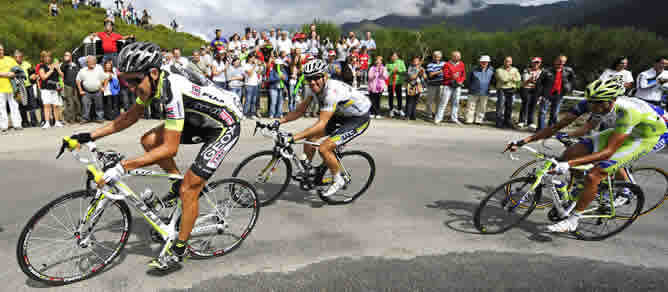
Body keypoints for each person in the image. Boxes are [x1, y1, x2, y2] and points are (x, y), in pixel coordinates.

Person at [65, 42, 243, 270]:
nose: (130, 87)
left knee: (190, 188)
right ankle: (176, 184)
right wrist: (90, 135)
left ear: (154, 73)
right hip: (199, 118)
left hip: (223, 126)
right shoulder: (152, 81)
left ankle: (179, 249)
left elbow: (170, 149)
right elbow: (130, 117)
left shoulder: (171, 88)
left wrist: (123, 166)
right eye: (125, 81)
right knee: (148, 141)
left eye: (134, 81)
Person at [506, 79, 668, 233]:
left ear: (610, 101)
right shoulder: (593, 102)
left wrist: (569, 165)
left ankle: (574, 220)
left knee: (595, 174)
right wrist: (523, 141)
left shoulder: (628, 112)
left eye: (597, 103)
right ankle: (577, 193)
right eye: (590, 102)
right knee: (571, 153)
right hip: (627, 130)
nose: (592, 106)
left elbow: (607, 153)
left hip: (650, 136)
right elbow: (558, 126)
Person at [277, 59, 371, 197]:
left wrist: (293, 138)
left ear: (325, 77)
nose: (313, 82)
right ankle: (307, 171)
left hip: (358, 118)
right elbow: (300, 111)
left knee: (324, 148)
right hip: (340, 115)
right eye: (309, 79)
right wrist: (279, 122)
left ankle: (338, 179)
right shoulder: (312, 88)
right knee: (311, 138)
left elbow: (321, 123)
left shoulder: (331, 92)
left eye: (316, 78)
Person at [537, 55, 576, 130]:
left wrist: (569, 88)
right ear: (555, 61)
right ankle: (540, 129)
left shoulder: (568, 71)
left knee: (554, 113)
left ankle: (550, 129)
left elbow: (573, 81)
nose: (561, 63)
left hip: (559, 94)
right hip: (547, 94)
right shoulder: (546, 71)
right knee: (542, 112)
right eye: (560, 61)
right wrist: (540, 94)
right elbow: (539, 83)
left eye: (563, 61)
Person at [435, 51, 466, 125]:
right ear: (452, 57)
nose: (458, 57)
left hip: (457, 86)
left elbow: (463, 74)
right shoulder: (447, 64)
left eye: (459, 56)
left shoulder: (461, 64)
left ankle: (454, 118)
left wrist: (461, 81)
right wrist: (453, 77)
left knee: (456, 103)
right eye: (456, 56)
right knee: (443, 102)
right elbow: (445, 75)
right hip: (448, 85)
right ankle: (438, 119)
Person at [76, 56, 107, 123]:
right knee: (85, 105)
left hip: (97, 91)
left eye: (94, 61)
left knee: (99, 105)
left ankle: (100, 118)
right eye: (91, 62)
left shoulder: (99, 68)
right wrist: (80, 90)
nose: (93, 63)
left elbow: (106, 77)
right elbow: (78, 80)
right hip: (86, 92)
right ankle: (85, 118)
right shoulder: (83, 70)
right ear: (87, 63)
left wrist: (104, 87)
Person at [465, 55, 495, 125]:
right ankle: (469, 119)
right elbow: (468, 80)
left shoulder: (491, 70)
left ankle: (479, 120)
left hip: (485, 91)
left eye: (486, 62)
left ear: (488, 62)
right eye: (482, 62)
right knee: (471, 106)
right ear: (480, 62)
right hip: (473, 90)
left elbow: (493, 81)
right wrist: (469, 87)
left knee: (482, 106)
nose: (484, 63)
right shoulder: (473, 69)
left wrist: (490, 88)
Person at [38, 51, 65, 128]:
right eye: (45, 57)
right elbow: (43, 77)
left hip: (54, 88)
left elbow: (62, 75)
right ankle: (47, 122)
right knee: (47, 105)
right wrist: (51, 70)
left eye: (49, 56)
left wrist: (58, 69)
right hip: (46, 89)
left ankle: (57, 122)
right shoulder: (41, 67)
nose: (48, 58)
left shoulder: (54, 65)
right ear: (43, 58)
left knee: (56, 105)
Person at [494, 56, 521, 128]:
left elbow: (518, 79)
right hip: (502, 89)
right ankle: (498, 122)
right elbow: (503, 79)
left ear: (511, 62)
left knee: (509, 107)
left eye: (509, 61)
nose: (507, 62)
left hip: (511, 90)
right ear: (504, 61)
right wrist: (512, 78)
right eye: (506, 61)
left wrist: (510, 79)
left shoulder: (515, 69)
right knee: (500, 106)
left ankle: (507, 121)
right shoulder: (498, 70)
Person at [14, 50, 39, 128]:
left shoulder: (27, 64)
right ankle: (24, 122)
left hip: (29, 86)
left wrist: (33, 76)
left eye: (21, 56)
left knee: (32, 104)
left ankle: (34, 121)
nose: (19, 58)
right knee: (22, 105)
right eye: (17, 57)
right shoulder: (12, 65)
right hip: (19, 87)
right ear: (14, 57)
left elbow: (33, 73)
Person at [0, 44, 21, 132]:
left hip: (12, 87)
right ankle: (4, 126)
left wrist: (13, 73)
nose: (0, 51)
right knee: (1, 107)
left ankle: (17, 125)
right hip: (0, 88)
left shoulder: (9, 59)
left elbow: (18, 69)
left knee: (14, 106)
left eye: (1, 49)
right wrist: (5, 74)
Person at [519, 57, 543, 130]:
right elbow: (525, 81)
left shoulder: (541, 72)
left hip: (536, 90)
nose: (536, 64)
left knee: (533, 105)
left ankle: (531, 122)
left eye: (537, 62)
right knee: (525, 103)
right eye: (534, 62)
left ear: (540, 63)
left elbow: (541, 83)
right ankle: (522, 121)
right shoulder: (526, 70)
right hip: (526, 89)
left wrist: (535, 82)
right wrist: (531, 80)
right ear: (532, 63)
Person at [61, 51, 82, 124]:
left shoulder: (76, 63)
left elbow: (80, 71)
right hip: (68, 85)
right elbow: (62, 70)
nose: (67, 57)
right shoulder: (63, 64)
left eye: (68, 55)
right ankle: (70, 118)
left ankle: (78, 117)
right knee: (70, 102)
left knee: (77, 101)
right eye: (66, 55)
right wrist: (66, 62)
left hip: (76, 85)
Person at [425, 51, 445, 120]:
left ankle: (437, 114)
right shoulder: (430, 65)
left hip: (441, 84)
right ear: (433, 57)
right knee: (430, 100)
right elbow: (430, 74)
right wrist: (440, 71)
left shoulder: (444, 63)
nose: (437, 58)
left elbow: (446, 72)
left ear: (440, 57)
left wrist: (435, 72)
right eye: (435, 56)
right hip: (432, 84)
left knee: (439, 100)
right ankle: (429, 114)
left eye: (438, 57)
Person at [385, 52, 406, 118]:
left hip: (398, 82)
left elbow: (404, 71)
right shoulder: (388, 64)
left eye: (395, 56)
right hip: (391, 83)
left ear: (397, 56)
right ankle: (391, 109)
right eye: (392, 56)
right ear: (390, 57)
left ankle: (400, 109)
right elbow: (386, 73)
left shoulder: (401, 62)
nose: (394, 57)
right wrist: (391, 72)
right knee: (390, 96)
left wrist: (398, 70)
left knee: (399, 96)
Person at [405, 56, 426, 121]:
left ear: (419, 62)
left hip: (418, 85)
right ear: (412, 62)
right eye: (414, 61)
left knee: (415, 101)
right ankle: (407, 115)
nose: (415, 62)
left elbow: (425, 77)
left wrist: (423, 72)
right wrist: (418, 72)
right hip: (411, 85)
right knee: (410, 101)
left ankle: (413, 115)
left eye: (417, 61)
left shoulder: (421, 68)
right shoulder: (410, 68)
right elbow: (411, 77)